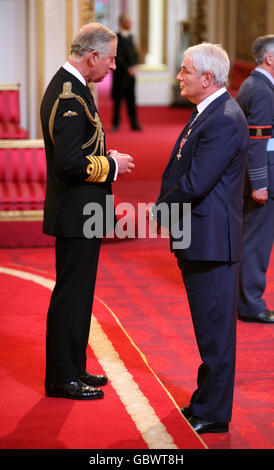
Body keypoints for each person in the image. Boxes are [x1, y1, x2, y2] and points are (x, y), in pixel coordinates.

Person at [152, 43, 249, 434]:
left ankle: (214, 411)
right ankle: (206, 400)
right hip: (201, 236)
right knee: (208, 329)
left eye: (185, 71)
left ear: (207, 79)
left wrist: (160, 210)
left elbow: (195, 181)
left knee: (215, 332)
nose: (179, 76)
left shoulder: (223, 117)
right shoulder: (208, 112)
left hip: (211, 242)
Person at [40, 22, 134, 400]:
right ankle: (62, 377)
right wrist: (110, 167)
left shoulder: (77, 88)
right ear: (93, 56)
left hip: (82, 210)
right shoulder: (69, 95)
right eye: (110, 59)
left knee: (80, 295)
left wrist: (104, 155)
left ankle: (73, 366)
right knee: (71, 295)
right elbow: (67, 163)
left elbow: (80, 147)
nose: (113, 67)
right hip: (76, 211)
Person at [236, 35, 274, 324]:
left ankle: (247, 299)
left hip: (263, 173)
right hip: (264, 177)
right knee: (256, 243)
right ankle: (250, 304)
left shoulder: (258, 85)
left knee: (255, 239)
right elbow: (257, 139)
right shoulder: (262, 90)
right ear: (269, 59)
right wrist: (260, 183)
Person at [111, 14, 141, 131]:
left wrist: (134, 67)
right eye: (128, 21)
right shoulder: (116, 38)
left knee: (131, 100)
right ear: (122, 23)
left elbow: (135, 54)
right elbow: (117, 57)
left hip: (131, 76)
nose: (130, 23)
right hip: (120, 75)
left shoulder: (131, 37)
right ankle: (115, 123)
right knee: (118, 101)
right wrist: (127, 68)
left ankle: (134, 123)